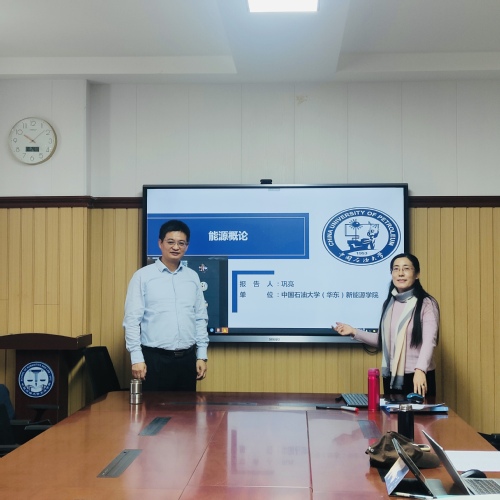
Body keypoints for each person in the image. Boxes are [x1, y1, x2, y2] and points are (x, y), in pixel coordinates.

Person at [333, 253, 439, 397]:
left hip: (418, 376)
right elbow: (383, 340)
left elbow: (429, 341)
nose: (400, 273)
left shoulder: (426, 304)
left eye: (406, 268)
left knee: (421, 413)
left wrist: (420, 370)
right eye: (396, 269)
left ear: (417, 274)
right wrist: (353, 331)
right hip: (392, 377)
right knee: (391, 413)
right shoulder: (389, 304)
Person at [123, 219, 209, 391]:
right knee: (153, 409)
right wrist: (136, 358)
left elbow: (200, 318)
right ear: (160, 243)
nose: (176, 247)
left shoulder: (192, 277)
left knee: (187, 408)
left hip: (187, 360)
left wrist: (201, 355)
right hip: (154, 360)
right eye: (170, 242)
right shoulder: (142, 276)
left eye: (181, 243)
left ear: (186, 246)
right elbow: (132, 321)